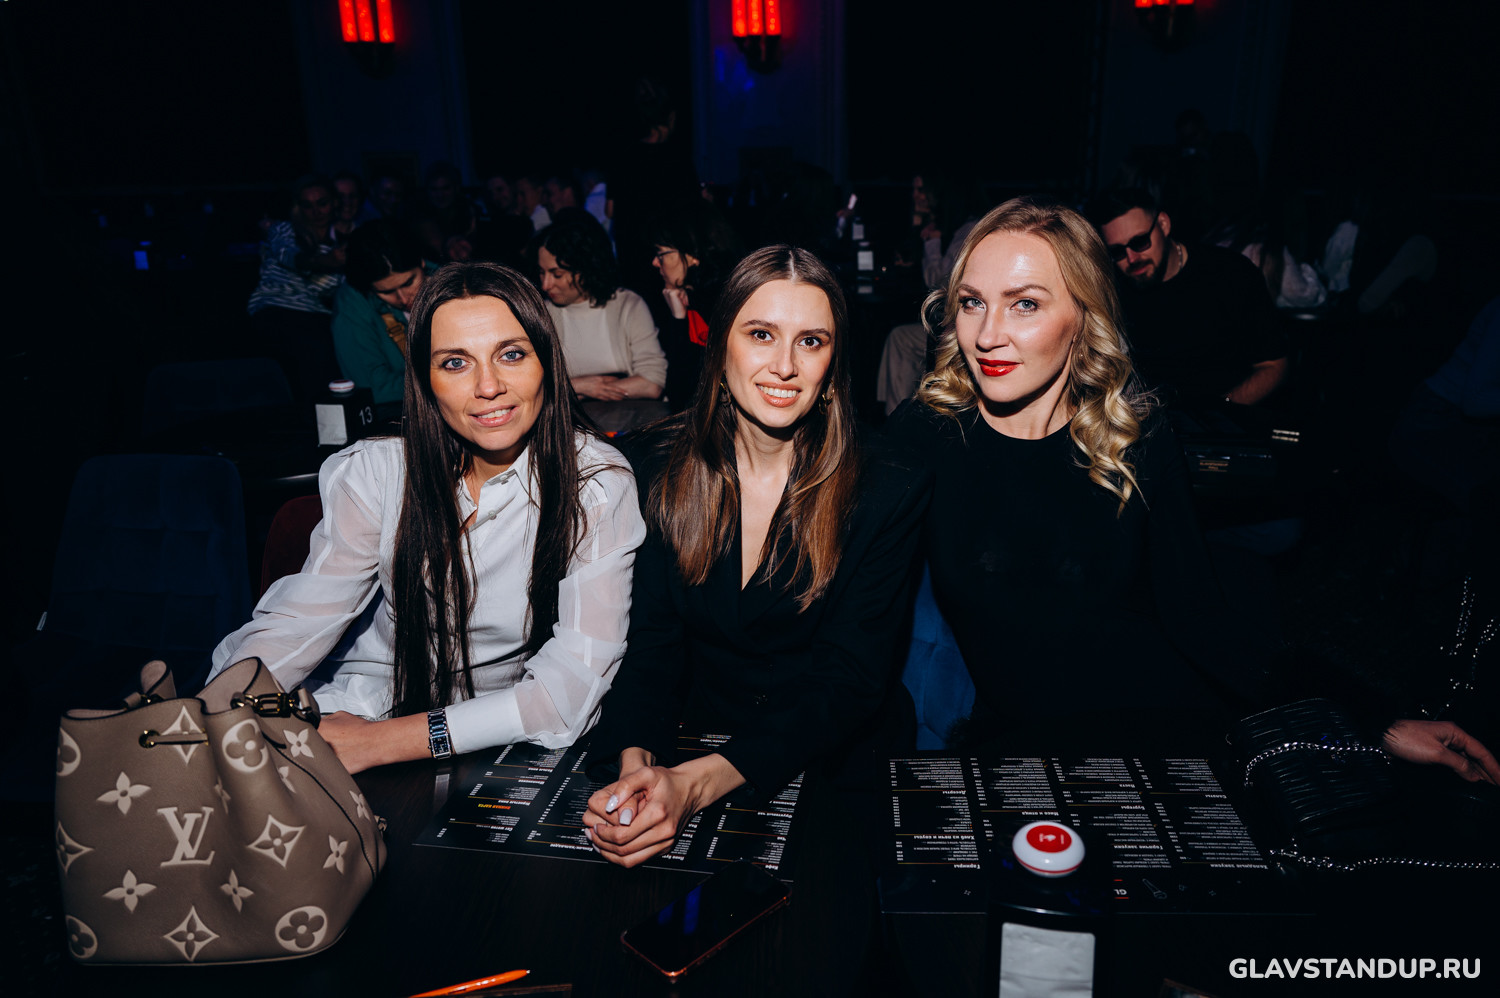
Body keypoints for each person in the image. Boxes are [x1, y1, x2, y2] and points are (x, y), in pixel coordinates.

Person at [886, 197, 1498, 782]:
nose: (987, 334)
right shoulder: (926, 436)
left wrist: (1376, 720)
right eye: (972, 302)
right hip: (1019, 740)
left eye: (1024, 304)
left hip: (1158, 726)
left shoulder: (1136, 436)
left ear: (1084, 315)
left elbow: (1202, 619)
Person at [210, 262, 646, 773]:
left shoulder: (594, 484)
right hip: (352, 705)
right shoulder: (378, 470)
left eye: (511, 354)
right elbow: (302, 619)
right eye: (456, 363)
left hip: (487, 733)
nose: (489, 386)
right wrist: (209, 715)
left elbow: (566, 692)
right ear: (425, 379)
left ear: (546, 361)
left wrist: (379, 744)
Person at [583, 246, 932, 867]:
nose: (785, 365)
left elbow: (848, 680)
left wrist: (695, 784)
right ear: (720, 347)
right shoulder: (654, 466)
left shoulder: (887, 485)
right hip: (694, 736)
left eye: (811, 342)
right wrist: (636, 763)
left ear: (833, 363)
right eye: (762, 334)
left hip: (833, 756)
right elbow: (650, 645)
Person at [1085, 188, 1289, 408]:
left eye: (1140, 242)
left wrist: (1222, 409)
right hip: (1147, 421)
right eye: (1117, 252)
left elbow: (1274, 365)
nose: (1132, 258)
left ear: (1163, 224)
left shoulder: (1230, 274)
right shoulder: (1113, 291)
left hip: (1224, 420)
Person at [533, 218, 668, 431]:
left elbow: (652, 383)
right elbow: (536, 387)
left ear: (585, 269)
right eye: (542, 272)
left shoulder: (628, 305)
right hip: (570, 428)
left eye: (557, 274)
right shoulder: (543, 314)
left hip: (632, 424)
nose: (545, 284)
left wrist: (578, 390)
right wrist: (583, 386)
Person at [246, 175, 346, 402]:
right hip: (275, 309)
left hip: (318, 318)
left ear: (334, 203)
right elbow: (290, 256)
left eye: (322, 203)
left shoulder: (340, 244)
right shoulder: (284, 230)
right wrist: (325, 261)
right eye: (307, 205)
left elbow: (330, 293)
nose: (316, 211)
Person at [646, 200, 745, 411]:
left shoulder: (724, 305)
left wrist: (679, 321)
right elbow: (679, 395)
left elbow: (685, 397)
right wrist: (678, 318)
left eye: (661, 254)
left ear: (692, 256)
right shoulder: (690, 300)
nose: (655, 262)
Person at [331, 219, 435, 408]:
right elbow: (370, 385)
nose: (403, 298)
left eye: (408, 282)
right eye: (386, 292)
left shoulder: (453, 282)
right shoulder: (352, 304)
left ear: (421, 263)